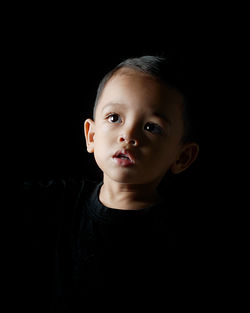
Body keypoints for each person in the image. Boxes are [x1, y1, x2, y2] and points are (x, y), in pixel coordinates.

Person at [23, 55, 200, 311]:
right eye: (115, 118)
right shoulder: (56, 203)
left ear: (182, 157)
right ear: (91, 135)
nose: (128, 136)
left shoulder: (179, 235)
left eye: (152, 127)